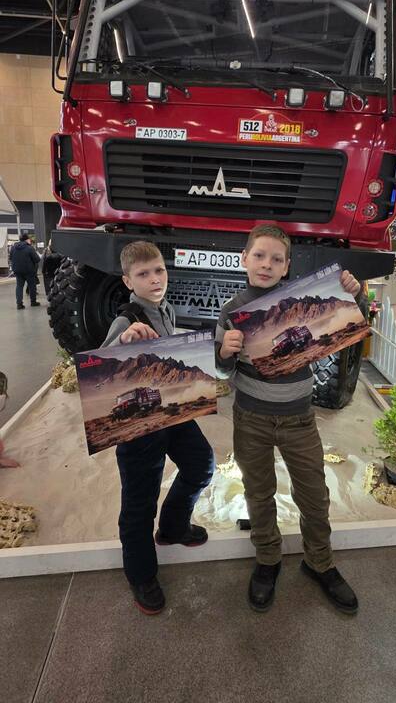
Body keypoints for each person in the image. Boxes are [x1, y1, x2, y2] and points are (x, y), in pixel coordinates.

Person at [215, 224, 361, 615]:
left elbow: (344, 323)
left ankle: (320, 562)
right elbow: (219, 374)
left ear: (286, 266)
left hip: (299, 419)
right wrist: (224, 352)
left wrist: (354, 294)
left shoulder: (301, 301)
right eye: (259, 255)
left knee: (314, 494)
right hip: (251, 419)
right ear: (244, 259)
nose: (266, 264)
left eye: (276, 259)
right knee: (258, 492)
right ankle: (267, 559)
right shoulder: (231, 311)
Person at [102, 240, 215, 615]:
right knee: (139, 501)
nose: (154, 279)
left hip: (170, 412)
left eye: (159, 271)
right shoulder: (126, 319)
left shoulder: (166, 309)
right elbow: (99, 365)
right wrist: (123, 340)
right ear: (127, 281)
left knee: (201, 463)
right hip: (140, 428)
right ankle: (141, 574)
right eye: (143, 274)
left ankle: (173, 527)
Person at [10, 233, 41, 310]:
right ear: (27, 239)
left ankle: (19, 304)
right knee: (32, 286)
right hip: (29, 271)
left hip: (17, 271)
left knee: (19, 287)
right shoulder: (29, 248)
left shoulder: (13, 247)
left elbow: (11, 258)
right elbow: (37, 259)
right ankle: (33, 302)